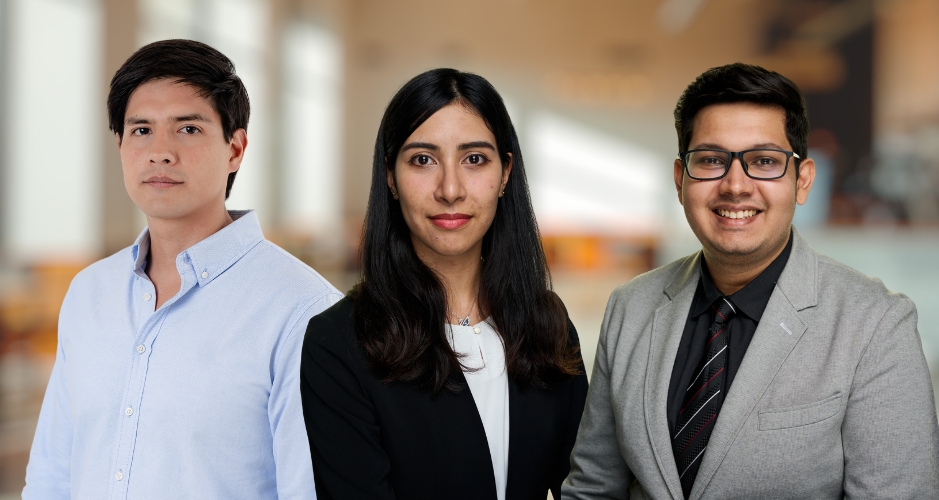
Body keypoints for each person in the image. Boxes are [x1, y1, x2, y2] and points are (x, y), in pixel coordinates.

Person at [562, 63, 939, 499]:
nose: (736, 186)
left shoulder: (876, 324)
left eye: (764, 161)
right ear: (680, 180)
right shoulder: (631, 306)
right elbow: (593, 487)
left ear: (802, 180)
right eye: (711, 160)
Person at [23, 39, 341, 499]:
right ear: (120, 145)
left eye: (188, 129)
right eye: (141, 130)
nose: (161, 152)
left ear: (235, 149)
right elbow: (52, 475)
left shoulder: (305, 311)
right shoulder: (90, 292)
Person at [301, 68, 588, 500]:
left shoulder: (546, 322)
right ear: (390, 177)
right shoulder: (338, 342)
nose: (450, 190)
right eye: (423, 160)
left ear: (505, 173)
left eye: (474, 159)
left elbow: (588, 484)